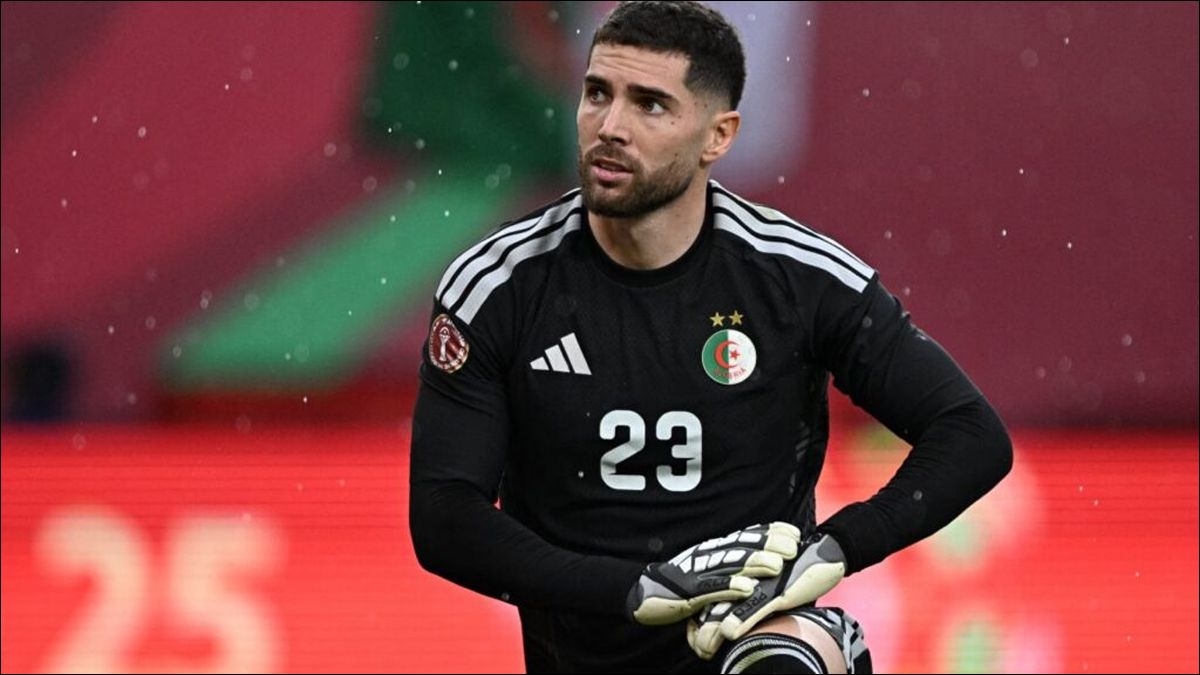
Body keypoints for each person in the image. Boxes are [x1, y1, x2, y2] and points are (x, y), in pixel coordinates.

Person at [408, 2, 1012, 673]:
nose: (610, 126)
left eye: (650, 105)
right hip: (584, 652)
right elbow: (444, 516)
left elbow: (970, 433)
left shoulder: (798, 277)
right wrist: (639, 590)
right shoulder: (498, 286)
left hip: (753, 633)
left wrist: (834, 550)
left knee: (783, 661)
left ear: (717, 137)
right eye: (597, 93)